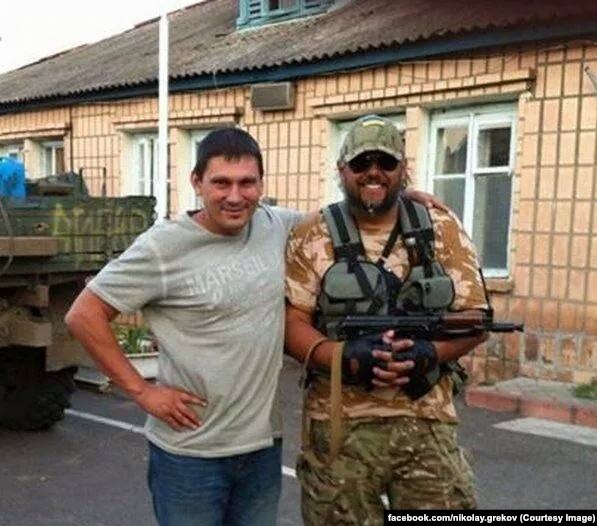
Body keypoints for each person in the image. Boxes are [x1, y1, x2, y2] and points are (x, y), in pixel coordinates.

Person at [65, 126, 442, 526]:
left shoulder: (276, 225)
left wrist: (398, 198)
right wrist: (142, 391)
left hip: (261, 450)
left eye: (247, 183)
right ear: (196, 182)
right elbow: (84, 315)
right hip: (191, 454)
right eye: (221, 183)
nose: (234, 196)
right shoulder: (163, 247)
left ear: (261, 184)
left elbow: (342, 217)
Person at [284, 114, 489, 524]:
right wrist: (345, 356)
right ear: (342, 169)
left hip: (425, 420)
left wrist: (429, 353)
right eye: (361, 163)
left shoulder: (440, 227)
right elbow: (292, 324)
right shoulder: (312, 232)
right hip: (339, 425)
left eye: (386, 162)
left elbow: (475, 318)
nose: (373, 172)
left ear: (403, 169)